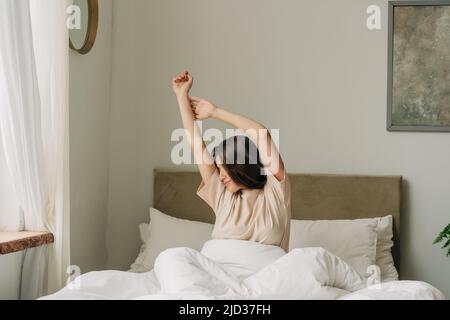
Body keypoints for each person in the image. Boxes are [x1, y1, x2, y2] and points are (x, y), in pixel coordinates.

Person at [171, 70, 291, 252]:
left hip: (265, 276)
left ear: (240, 166)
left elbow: (261, 134)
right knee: (173, 257)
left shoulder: (275, 193)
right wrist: (181, 96)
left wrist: (214, 112)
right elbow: (196, 146)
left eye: (224, 169)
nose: (220, 176)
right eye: (218, 170)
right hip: (221, 273)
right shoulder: (223, 196)